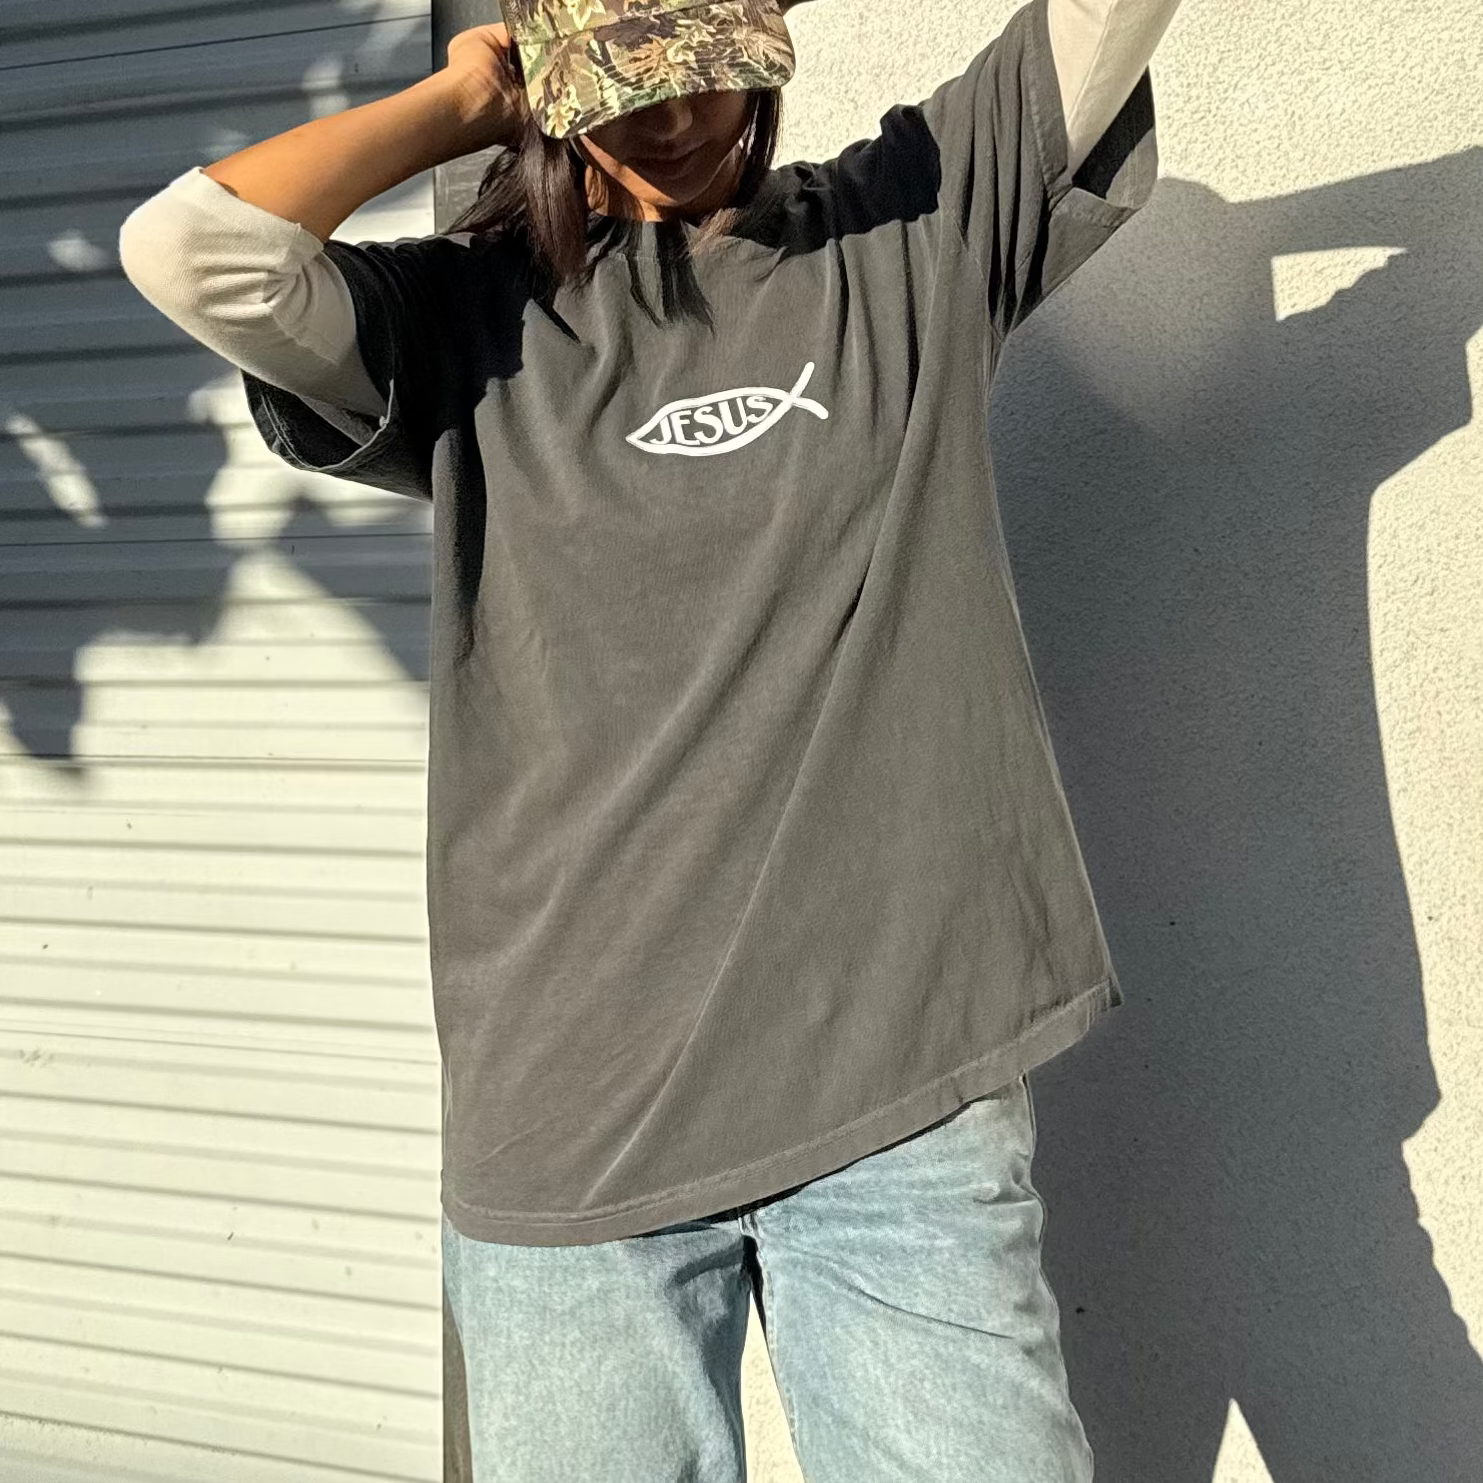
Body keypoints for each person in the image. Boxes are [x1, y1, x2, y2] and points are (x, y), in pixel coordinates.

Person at [119, 0, 1182, 1476]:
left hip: (896, 1090)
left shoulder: (909, 224)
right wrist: (466, 104)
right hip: (572, 1119)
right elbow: (190, 249)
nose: (673, 116)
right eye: (620, 81)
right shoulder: (465, 324)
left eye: (703, 67)